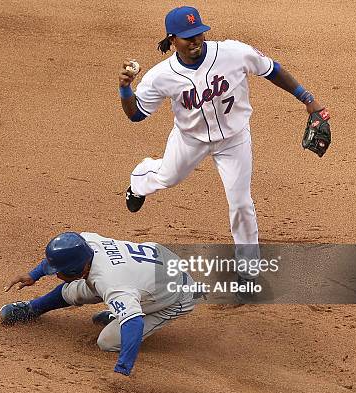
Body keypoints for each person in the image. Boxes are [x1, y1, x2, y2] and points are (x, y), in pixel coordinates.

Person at [119, 6, 330, 286]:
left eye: (199, 34)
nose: (195, 41)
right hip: (189, 140)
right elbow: (136, 115)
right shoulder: (161, 76)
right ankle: (138, 182)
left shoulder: (233, 52)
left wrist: (308, 99)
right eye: (186, 37)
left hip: (234, 140)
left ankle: (248, 273)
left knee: (241, 203)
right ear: (172, 40)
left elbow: (272, 69)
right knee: (165, 177)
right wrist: (125, 89)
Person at [0, 232, 203, 376]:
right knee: (74, 290)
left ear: (78, 267)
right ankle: (33, 308)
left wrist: (123, 369)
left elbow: (135, 323)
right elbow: (62, 258)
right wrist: (34, 274)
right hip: (154, 266)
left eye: (59, 272)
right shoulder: (85, 243)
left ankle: (120, 313)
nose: (57, 275)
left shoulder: (112, 282)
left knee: (108, 341)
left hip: (175, 295)